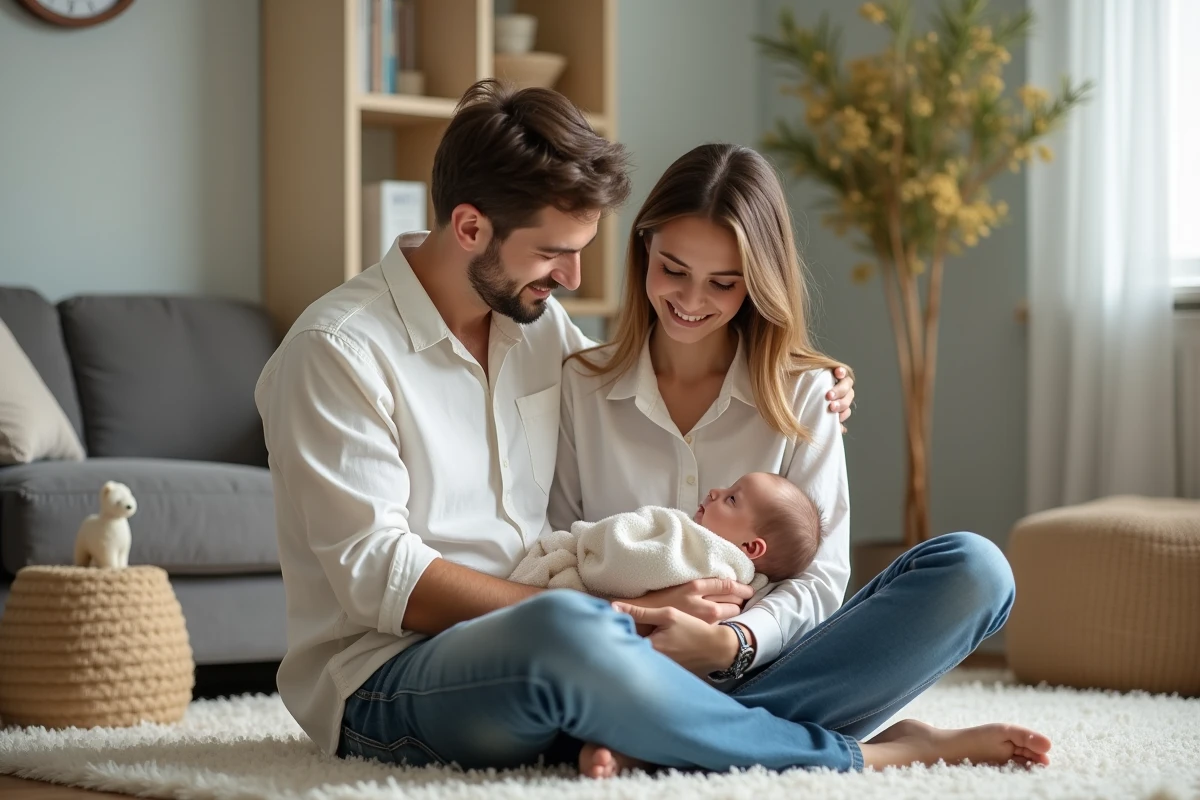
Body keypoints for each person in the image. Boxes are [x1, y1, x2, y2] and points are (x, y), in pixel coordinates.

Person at [252, 80, 1043, 779]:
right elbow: (377, 577)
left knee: (973, 568)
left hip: (609, 659)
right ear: (468, 228)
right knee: (561, 629)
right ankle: (862, 751)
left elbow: (814, 579)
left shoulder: (539, 333)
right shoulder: (338, 354)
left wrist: (714, 637)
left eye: (584, 252)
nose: (573, 281)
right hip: (404, 675)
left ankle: (653, 736)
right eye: (556, 255)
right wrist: (619, 618)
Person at [548, 141, 1050, 778]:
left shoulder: (805, 393)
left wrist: (733, 643)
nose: (691, 299)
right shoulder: (581, 385)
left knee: (976, 570)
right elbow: (560, 552)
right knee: (531, 695)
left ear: (757, 283)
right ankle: (888, 751)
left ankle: (667, 742)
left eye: (724, 283)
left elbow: (819, 579)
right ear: (644, 247)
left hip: (771, 666)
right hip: (625, 666)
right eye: (673, 269)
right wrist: (652, 619)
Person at [510, 471, 823, 596]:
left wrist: (593, 541)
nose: (715, 491)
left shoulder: (702, 554)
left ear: (752, 547)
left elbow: (621, 563)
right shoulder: (747, 583)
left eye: (731, 499)